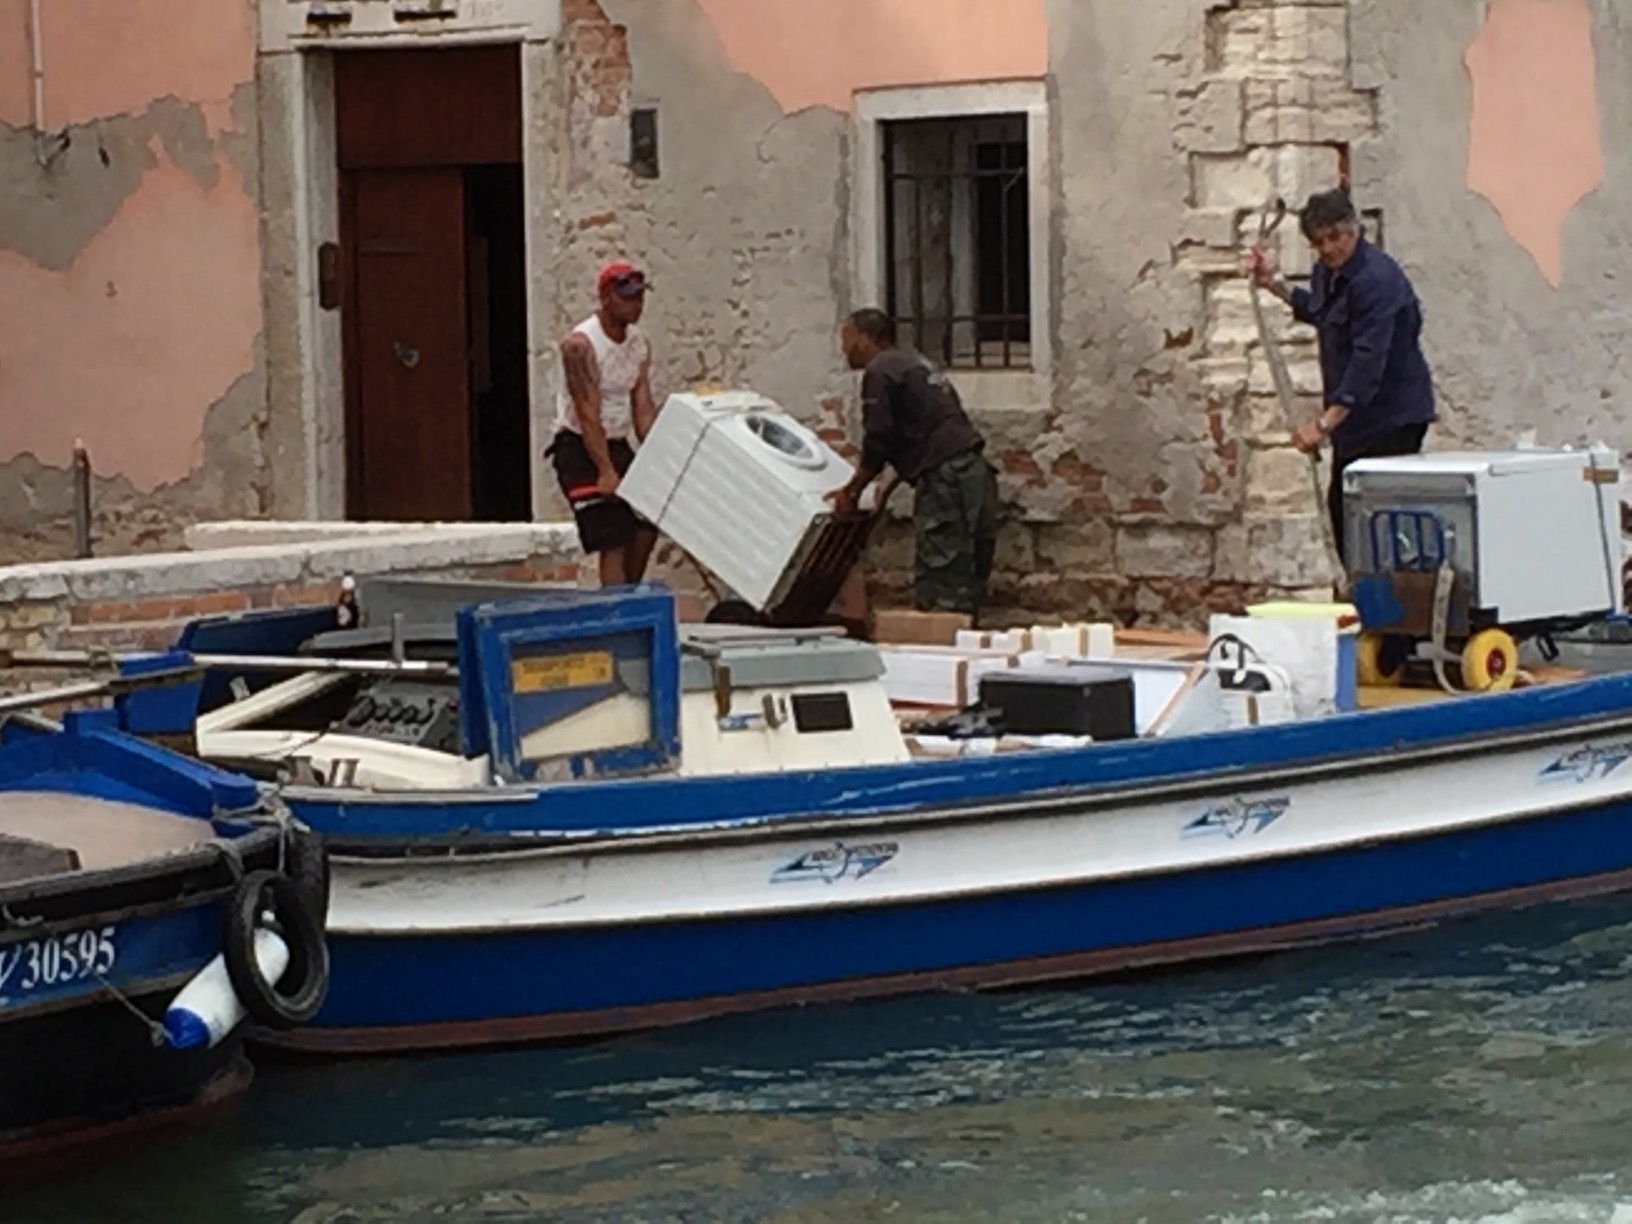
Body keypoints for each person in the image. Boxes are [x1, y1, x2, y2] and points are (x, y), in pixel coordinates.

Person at [1249, 188, 1436, 566]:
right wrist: (1274, 284)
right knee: (1345, 517)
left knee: (1377, 523)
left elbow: (1368, 364)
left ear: (1353, 230)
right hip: (1357, 425)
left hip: (1391, 418)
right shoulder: (1328, 273)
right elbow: (1320, 312)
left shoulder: (1376, 279)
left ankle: (1387, 605)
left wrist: (1322, 425)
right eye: (1319, 242)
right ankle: (1360, 602)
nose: (1329, 248)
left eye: (1336, 237)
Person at [830, 309, 999, 619]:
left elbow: (878, 440)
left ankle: (942, 653)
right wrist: (889, 486)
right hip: (973, 471)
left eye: (846, 338)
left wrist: (852, 492)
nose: (842, 348)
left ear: (864, 338)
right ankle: (965, 644)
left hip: (946, 479)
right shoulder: (913, 362)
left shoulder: (879, 371)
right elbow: (925, 430)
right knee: (967, 573)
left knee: (942, 579)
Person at [551, 261, 660, 587]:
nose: (636, 305)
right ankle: (615, 612)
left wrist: (655, 457)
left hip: (616, 441)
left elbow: (642, 406)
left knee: (646, 523)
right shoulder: (581, 346)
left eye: (640, 298)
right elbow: (587, 414)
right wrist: (604, 469)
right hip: (579, 446)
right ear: (606, 298)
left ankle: (629, 595)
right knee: (612, 535)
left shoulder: (638, 343)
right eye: (627, 298)